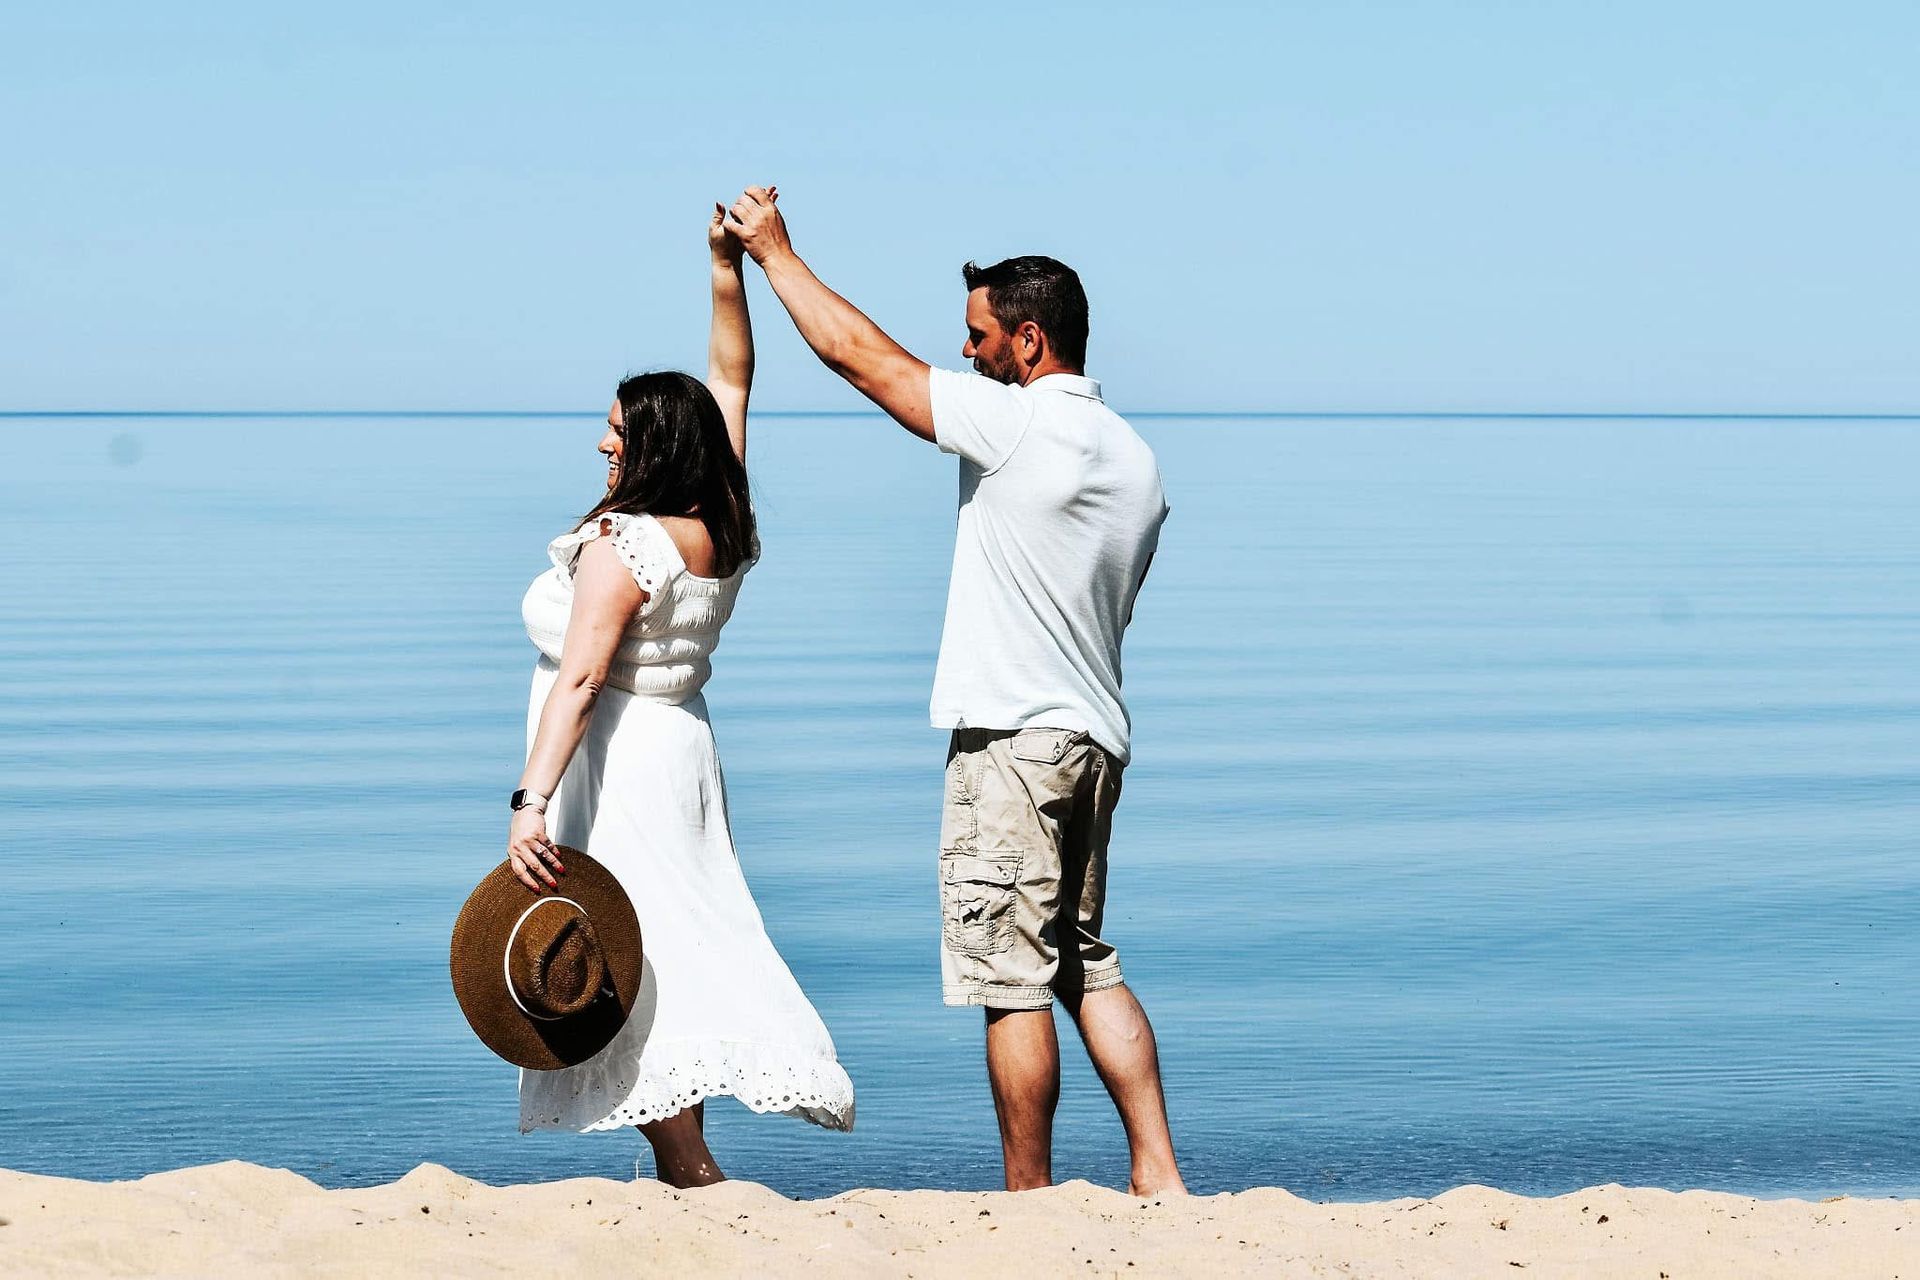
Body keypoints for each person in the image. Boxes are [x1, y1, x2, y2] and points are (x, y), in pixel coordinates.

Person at [724, 186, 1184, 1196]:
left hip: (1014, 743)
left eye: (978, 337)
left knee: (1010, 979)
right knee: (1085, 959)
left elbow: (863, 359)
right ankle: (1158, 1172)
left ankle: (1029, 1200)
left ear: (1028, 341)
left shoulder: (1019, 425)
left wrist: (775, 256)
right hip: (1095, 735)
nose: (966, 352)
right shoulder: (1139, 461)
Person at [504, 201, 854, 1186]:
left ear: (653, 444)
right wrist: (722, 266)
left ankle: (691, 1168)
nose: (603, 448)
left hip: (619, 762)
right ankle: (682, 1163)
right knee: (673, 934)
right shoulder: (722, 517)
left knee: (633, 950)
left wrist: (530, 800)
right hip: (682, 746)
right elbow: (733, 376)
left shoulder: (630, 544)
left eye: (617, 435)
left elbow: (579, 677)